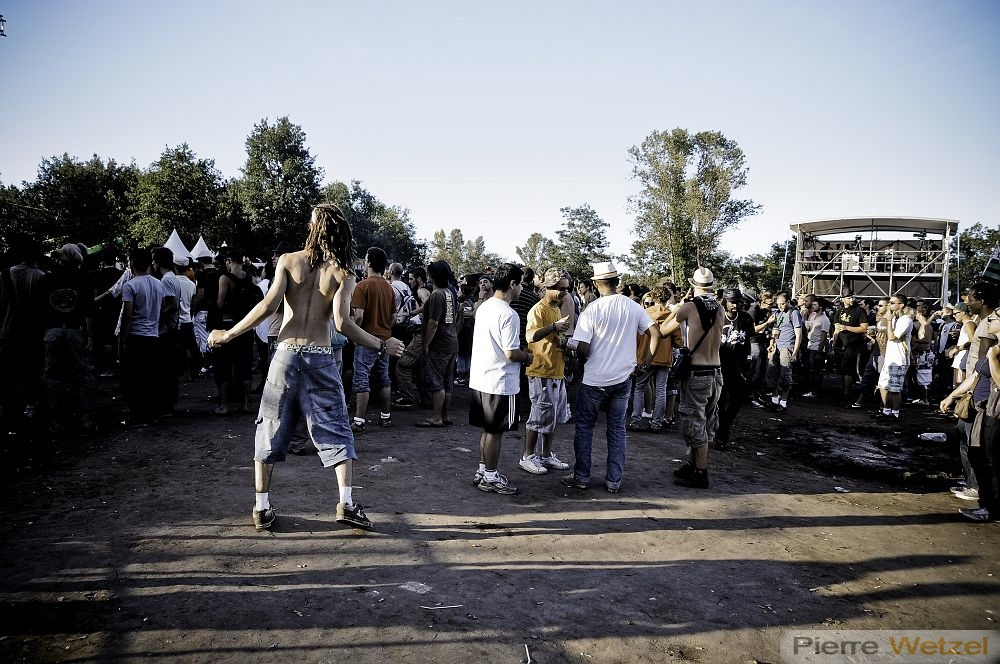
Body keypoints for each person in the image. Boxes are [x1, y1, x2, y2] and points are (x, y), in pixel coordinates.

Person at [208, 202, 404, 532]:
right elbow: (342, 325)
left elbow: (268, 306)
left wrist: (228, 333)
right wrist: (383, 344)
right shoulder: (343, 273)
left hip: (285, 353)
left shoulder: (288, 261)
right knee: (336, 427)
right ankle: (346, 502)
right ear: (342, 232)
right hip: (320, 357)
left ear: (312, 228)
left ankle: (262, 506)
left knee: (269, 426)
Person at [562, 260, 658, 493]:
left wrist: (569, 345)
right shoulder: (633, 306)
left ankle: (582, 476)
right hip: (622, 378)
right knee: (617, 429)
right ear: (617, 282)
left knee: (585, 428)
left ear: (595, 284)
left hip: (595, 378)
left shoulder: (592, 310)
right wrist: (644, 361)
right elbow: (655, 333)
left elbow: (584, 347)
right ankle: (614, 480)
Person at [468, 263, 533, 495]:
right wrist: (527, 356)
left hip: (481, 377)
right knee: (495, 431)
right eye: (521, 284)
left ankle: (483, 470)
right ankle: (491, 477)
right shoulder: (509, 313)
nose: (521, 289)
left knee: (488, 429)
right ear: (513, 283)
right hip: (501, 381)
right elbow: (511, 353)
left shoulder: (484, 307)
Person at [660, 268, 724, 489]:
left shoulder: (688, 307)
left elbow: (663, 330)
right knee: (706, 421)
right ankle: (692, 465)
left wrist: (677, 307)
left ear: (693, 285)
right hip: (716, 372)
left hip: (697, 373)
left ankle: (700, 472)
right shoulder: (720, 308)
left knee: (695, 424)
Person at [519, 266, 573, 474]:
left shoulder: (555, 308)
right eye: (561, 289)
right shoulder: (539, 309)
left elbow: (555, 337)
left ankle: (545, 455)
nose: (565, 293)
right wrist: (553, 327)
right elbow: (530, 336)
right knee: (538, 415)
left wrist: (565, 342)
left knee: (551, 417)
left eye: (567, 289)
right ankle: (528, 456)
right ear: (549, 287)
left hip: (555, 369)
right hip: (541, 370)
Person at [350, 247, 395, 432]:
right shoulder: (388, 287)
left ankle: (359, 421)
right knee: (383, 379)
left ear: (368, 263)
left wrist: (355, 333)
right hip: (385, 341)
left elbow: (358, 316)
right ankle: (386, 416)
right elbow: (393, 318)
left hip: (367, 340)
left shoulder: (363, 285)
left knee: (362, 379)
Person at [120, 248, 164, 425]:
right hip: (153, 334)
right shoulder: (158, 284)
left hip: (136, 335)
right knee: (150, 377)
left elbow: (127, 315)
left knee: (134, 378)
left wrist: (122, 339)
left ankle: (137, 415)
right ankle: (151, 413)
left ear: (132, 263)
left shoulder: (130, 286)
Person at [415, 260, 461, 428]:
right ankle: (445, 415)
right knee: (448, 382)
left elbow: (433, 323)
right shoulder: (450, 292)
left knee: (437, 382)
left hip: (440, 343)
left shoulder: (436, 295)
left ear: (433, 276)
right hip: (452, 341)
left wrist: (426, 343)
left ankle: (436, 417)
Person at [715, 288, 754, 449]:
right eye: (732, 302)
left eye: (738, 302)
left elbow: (748, 341)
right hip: (721, 362)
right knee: (721, 399)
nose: (735, 306)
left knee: (737, 399)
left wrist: (749, 359)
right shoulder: (719, 317)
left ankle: (724, 427)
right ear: (725, 302)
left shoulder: (745, 318)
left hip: (739, 363)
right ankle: (720, 434)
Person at [764, 292, 803, 412]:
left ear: (788, 302)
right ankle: (775, 399)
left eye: (782, 304)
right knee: (771, 373)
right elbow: (775, 330)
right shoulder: (778, 313)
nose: (780, 306)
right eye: (778, 304)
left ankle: (783, 402)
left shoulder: (794, 313)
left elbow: (799, 335)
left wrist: (795, 352)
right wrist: (771, 344)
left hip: (788, 347)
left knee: (785, 375)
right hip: (777, 346)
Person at [876, 295, 913, 418]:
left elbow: (892, 337)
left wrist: (889, 320)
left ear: (901, 305)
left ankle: (895, 413)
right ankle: (886, 410)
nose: (890, 305)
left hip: (899, 359)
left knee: (894, 388)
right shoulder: (896, 318)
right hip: (889, 358)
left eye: (892, 303)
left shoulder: (906, 320)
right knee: (883, 385)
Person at [832, 290, 869, 400]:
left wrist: (847, 328)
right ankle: (844, 391)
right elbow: (836, 329)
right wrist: (833, 344)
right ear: (842, 299)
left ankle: (847, 393)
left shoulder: (859, 310)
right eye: (848, 297)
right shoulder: (839, 311)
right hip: (840, 343)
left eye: (852, 297)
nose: (851, 299)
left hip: (853, 344)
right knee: (841, 369)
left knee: (848, 369)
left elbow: (864, 327)